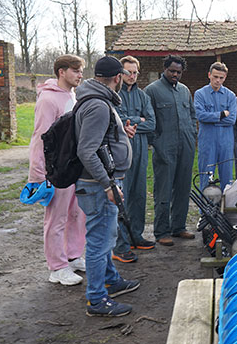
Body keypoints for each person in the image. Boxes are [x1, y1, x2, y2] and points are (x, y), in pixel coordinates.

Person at [75, 56, 140, 317]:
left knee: (104, 237)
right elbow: (87, 151)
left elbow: (97, 139)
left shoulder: (95, 99)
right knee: (99, 241)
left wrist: (120, 132)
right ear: (117, 78)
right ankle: (97, 299)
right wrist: (109, 184)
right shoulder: (98, 105)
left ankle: (112, 281)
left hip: (99, 183)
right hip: (98, 185)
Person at [28, 54, 86, 286]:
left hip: (73, 166)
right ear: (61, 72)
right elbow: (39, 137)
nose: (80, 74)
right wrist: (39, 173)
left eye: (81, 70)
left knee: (76, 214)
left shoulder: (73, 96)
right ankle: (57, 267)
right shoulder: (48, 100)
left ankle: (72, 256)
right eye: (75, 70)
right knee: (56, 218)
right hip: (56, 169)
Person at [144, 55, 197, 247]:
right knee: (163, 190)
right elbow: (147, 120)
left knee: (183, 188)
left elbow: (192, 115)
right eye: (172, 71)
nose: (175, 74)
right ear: (164, 69)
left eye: (178, 72)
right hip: (165, 148)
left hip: (186, 146)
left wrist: (192, 134)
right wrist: (156, 142)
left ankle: (178, 227)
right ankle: (161, 231)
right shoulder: (152, 91)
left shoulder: (184, 91)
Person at [112, 56, 156, 263]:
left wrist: (130, 123)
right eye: (128, 72)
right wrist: (137, 121)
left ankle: (136, 236)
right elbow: (116, 120)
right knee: (123, 195)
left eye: (135, 72)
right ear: (120, 73)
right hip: (121, 150)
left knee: (139, 195)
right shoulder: (114, 95)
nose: (132, 76)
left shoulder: (143, 96)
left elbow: (152, 123)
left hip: (139, 149)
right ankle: (120, 244)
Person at [193, 62, 237, 192]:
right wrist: (221, 114)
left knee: (227, 179)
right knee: (206, 177)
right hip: (207, 142)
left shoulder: (230, 96)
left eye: (221, 78)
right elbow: (200, 116)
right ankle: (205, 210)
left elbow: (232, 119)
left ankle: (226, 209)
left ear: (225, 78)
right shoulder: (200, 94)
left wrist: (211, 119)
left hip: (226, 142)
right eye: (215, 77)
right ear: (209, 75)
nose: (218, 80)